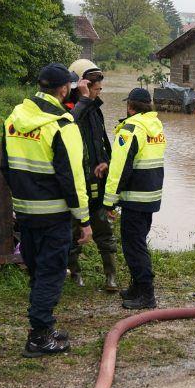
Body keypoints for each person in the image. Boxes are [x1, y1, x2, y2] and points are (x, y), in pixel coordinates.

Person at [0, 63, 93, 357]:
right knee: (51, 273)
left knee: (38, 270)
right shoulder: (63, 126)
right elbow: (73, 178)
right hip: (54, 215)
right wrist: (85, 220)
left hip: (25, 212)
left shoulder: (14, 119)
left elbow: (6, 166)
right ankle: (39, 335)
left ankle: (44, 326)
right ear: (64, 89)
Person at [103, 87, 166, 310]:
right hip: (150, 196)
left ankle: (146, 293)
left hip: (134, 198)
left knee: (134, 246)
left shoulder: (131, 129)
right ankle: (137, 288)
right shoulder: (155, 127)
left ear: (130, 107)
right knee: (137, 242)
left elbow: (119, 170)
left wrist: (109, 201)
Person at [64, 59, 118, 291]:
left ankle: (111, 277)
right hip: (76, 183)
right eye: (94, 87)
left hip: (97, 181)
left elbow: (102, 143)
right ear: (81, 84)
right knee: (74, 232)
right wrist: (84, 99)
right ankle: (75, 274)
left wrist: (106, 161)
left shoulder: (96, 111)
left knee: (104, 231)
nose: (99, 91)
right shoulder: (67, 110)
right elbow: (67, 128)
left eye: (99, 88)